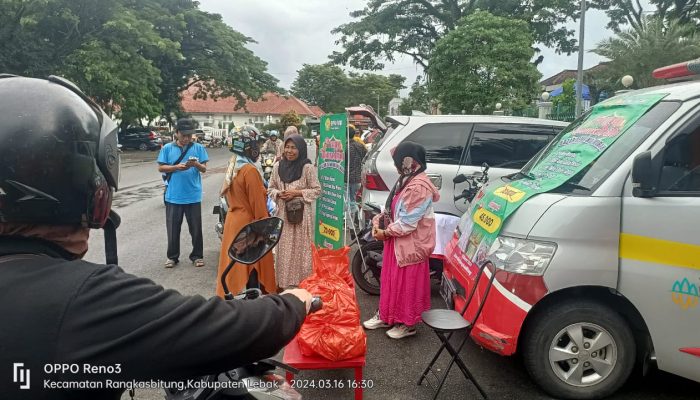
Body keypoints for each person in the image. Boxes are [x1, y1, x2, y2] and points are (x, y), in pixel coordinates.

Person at [0, 75, 314, 400]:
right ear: (93, 195)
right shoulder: (84, 298)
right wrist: (294, 303)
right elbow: (217, 329)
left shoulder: (235, 163)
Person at [362, 142, 440, 339]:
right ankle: (387, 315)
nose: (396, 166)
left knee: (407, 285)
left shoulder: (419, 187)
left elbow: (408, 223)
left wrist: (385, 233)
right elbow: (393, 209)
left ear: (409, 163)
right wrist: (379, 221)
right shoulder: (406, 179)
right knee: (391, 281)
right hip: (398, 243)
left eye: (398, 162)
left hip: (411, 245)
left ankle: (407, 324)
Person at [217, 126, 277, 296]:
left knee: (235, 267)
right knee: (252, 267)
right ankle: (252, 303)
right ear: (245, 146)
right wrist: (266, 228)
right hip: (248, 225)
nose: (257, 148)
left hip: (233, 221)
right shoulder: (249, 171)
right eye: (255, 144)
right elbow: (258, 207)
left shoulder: (234, 164)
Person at [268, 134, 321, 289]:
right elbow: (270, 188)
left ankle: (303, 285)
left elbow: (317, 190)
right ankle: (283, 284)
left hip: (301, 217)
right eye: (287, 147)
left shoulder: (307, 168)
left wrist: (296, 193)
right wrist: (279, 194)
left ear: (301, 149)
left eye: (294, 147)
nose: (289, 151)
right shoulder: (277, 167)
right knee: (284, 250)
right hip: (283, 214)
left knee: (301, 250)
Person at [158, 118, 209, 268]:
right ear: (176, 133)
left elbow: (204, 168)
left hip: (193, 195)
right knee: (173, 229)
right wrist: (176, 167)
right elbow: (161, 168)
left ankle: (197, 256)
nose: (187, 138)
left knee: (196, 229)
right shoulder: (167, 148)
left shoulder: (199, 148)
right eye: (184, 135)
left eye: (189, 135)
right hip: (174, 196)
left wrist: (196, 164)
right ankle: (172, 257)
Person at [346, 125, 368, 226]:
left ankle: (349, 223)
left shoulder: (344, 146)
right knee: (354, 200)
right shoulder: (360, 146)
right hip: (357, 178)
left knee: (347, 202)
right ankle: (355, 221)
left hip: (345, 179)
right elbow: (366, 157)